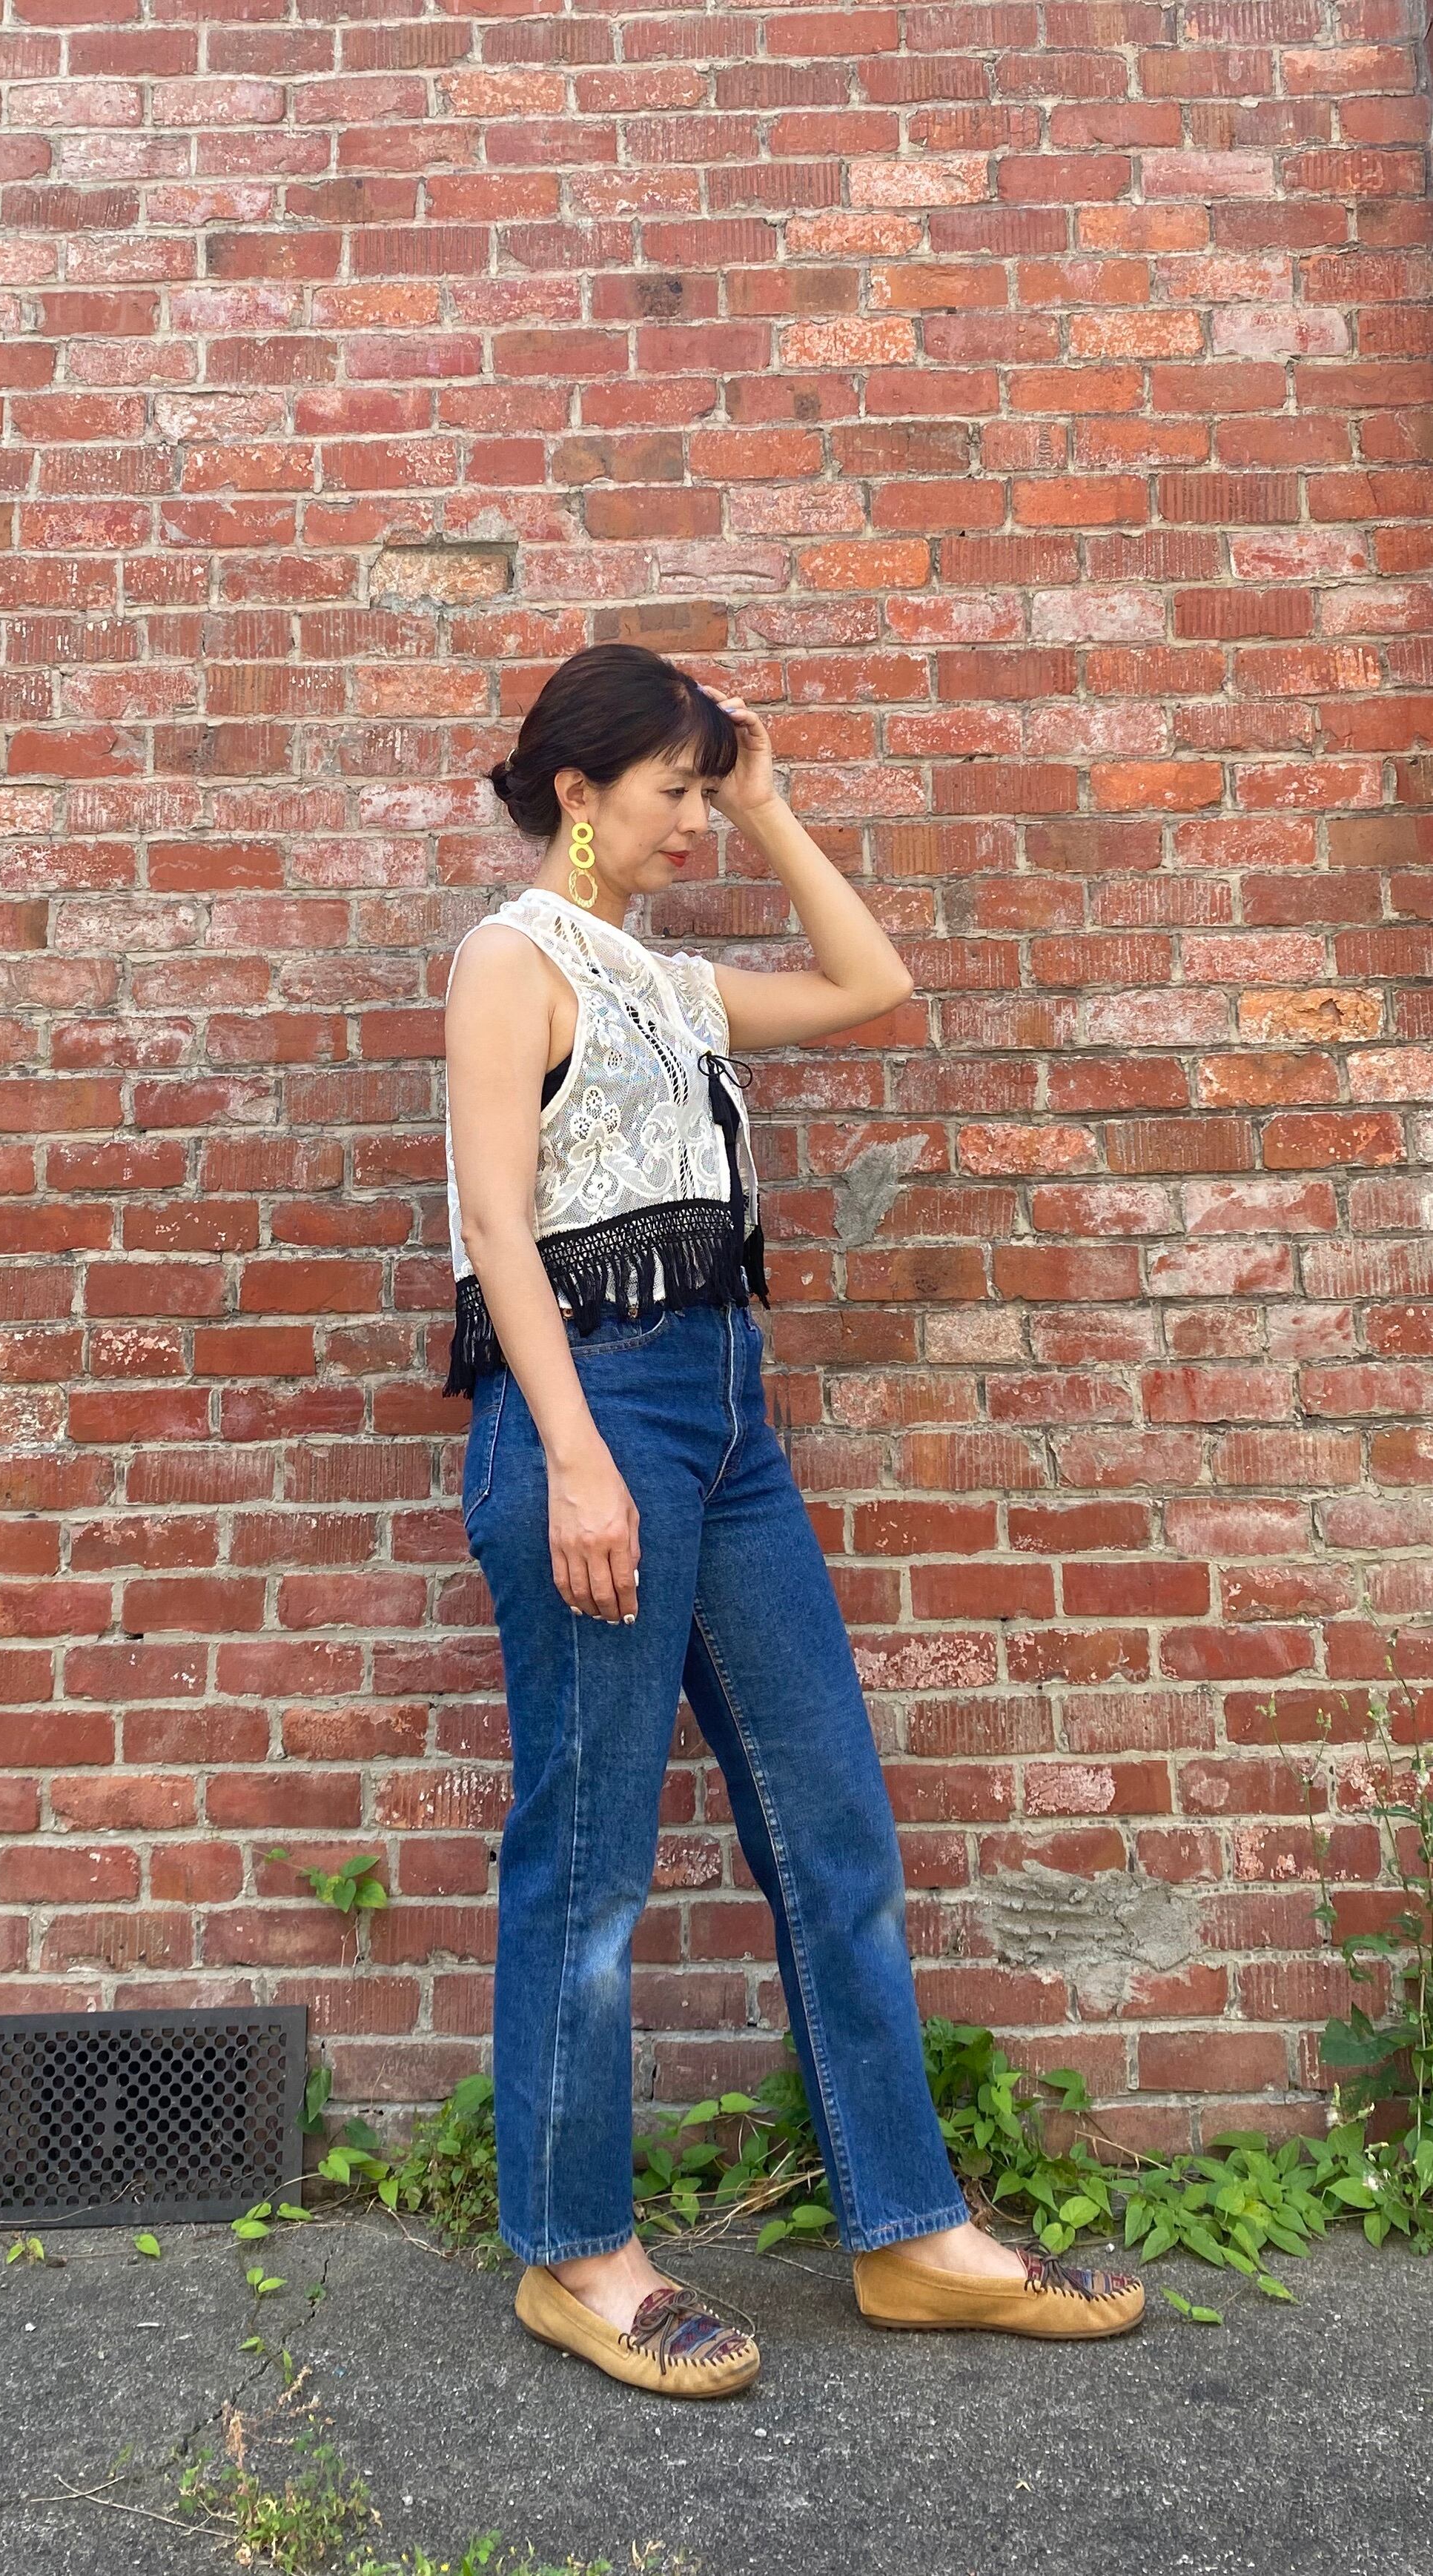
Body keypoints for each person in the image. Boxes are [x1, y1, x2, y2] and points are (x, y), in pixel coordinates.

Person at [442, 643, 1144, 2398]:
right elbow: (496, 1219)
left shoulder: (672, 985)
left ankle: (909, 2235)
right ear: (577, 794)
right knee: (588, 1864)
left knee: (833, 1828)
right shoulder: (510, 959)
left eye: (702, 791)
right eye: (672, 792)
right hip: (594, 1412)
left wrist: (767, 800)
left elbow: (867, 979)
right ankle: (575, 2256)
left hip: (728, 1425)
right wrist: (576, 1455)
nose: (692, 821)